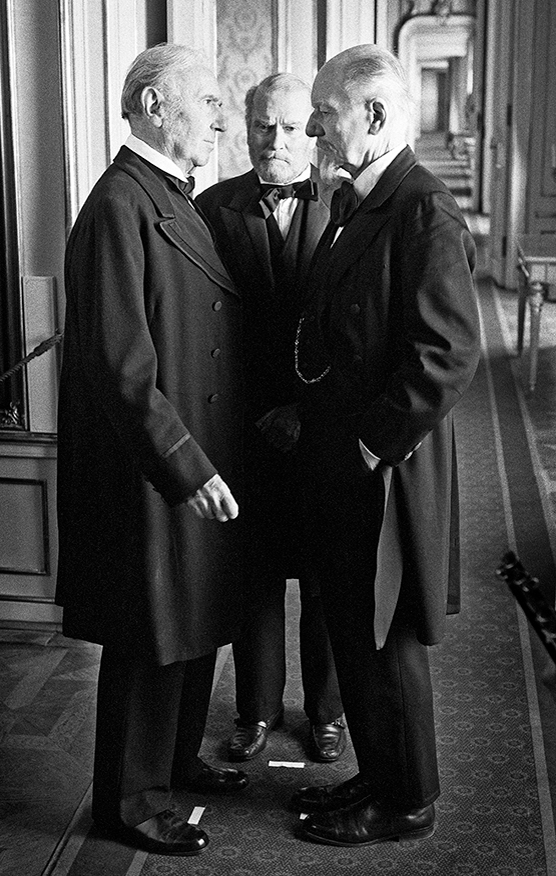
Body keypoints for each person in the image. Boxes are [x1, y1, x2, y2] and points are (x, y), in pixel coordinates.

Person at [56, 44, 248, 858]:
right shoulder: (118, 206)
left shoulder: (164, 194)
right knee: (150, 632)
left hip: (186, 454)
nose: (217, 118)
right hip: (150, 467)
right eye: (204, 102)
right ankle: (130, 804)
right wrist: (185, 463)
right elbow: (119, 364)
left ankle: (173, 762)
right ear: (150, 106)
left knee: (188, 620)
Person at [289, 44, 481, 847]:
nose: (310, 128)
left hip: (388, 470)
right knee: (353, 633)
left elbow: (449, 352)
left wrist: (369, 444)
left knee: (389, 638)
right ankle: (379, 773)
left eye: (324, 113)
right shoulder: (359, 202)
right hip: (346, 465)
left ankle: (409, 803)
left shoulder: (421, 207)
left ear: (370, 115)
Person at [196, 73, 345, 764]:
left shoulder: (346, 208)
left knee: (323, 578)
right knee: (253, 577)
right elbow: (206, 333)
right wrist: (255, 415)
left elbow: (355, 334)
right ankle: (254, 712)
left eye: (289, 127)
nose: (275, 140)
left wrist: (304, 410)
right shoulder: (211, 208)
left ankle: (325, 713)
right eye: (262, 125)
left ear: (312, 130)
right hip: (245, 434)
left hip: (320, 430)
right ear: (245, 127)